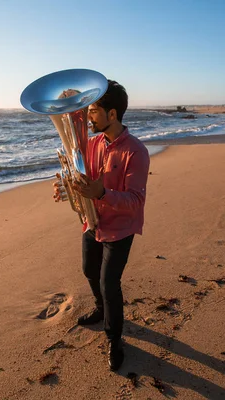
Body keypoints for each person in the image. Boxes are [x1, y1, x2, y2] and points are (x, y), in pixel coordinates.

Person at [53, 80, 150, 371]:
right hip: (92, 222)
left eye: (93, 111)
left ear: (113, 114)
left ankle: (115, 338)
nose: (87, 116)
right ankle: (99, 309)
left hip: (120, 228)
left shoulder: (137, 152)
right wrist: (64, 187)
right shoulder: (90, 145)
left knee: (110, 284)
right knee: (88, 270)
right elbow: (80, 180)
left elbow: (135, 200)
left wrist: (102, 193)